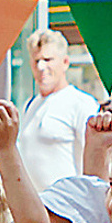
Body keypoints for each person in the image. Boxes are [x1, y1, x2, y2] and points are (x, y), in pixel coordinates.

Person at [17, 29, 98, 195]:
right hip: (35, 207)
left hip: (69, 205)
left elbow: (95, 162)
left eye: (48, 60)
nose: (41, 67)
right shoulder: (30, 105)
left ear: (65, 62)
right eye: (36, 60)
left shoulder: (81, 103)